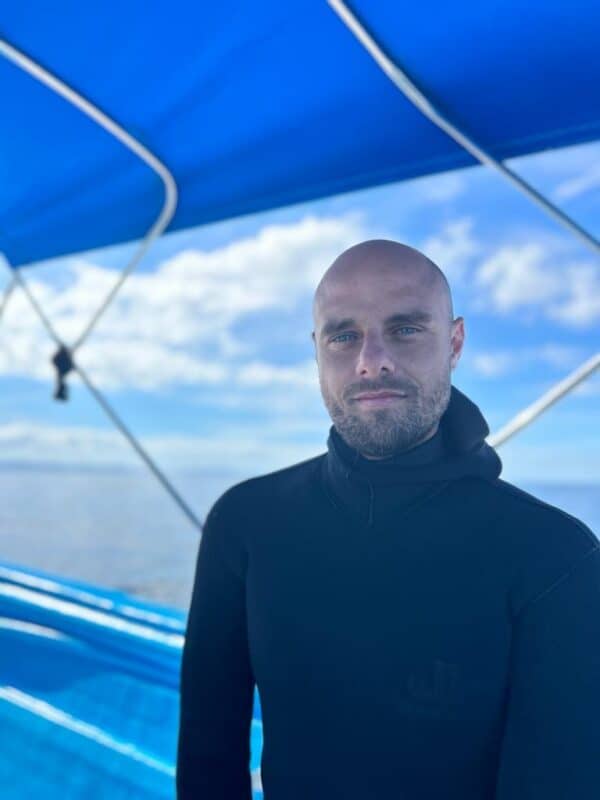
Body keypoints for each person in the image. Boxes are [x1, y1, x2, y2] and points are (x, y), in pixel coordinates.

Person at [176, 240, 600, 799]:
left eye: (404, 329)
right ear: (317, 351)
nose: (371, 360)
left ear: (454, 343)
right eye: (344, 335)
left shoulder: (555, 557)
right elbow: (208, 759)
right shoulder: (246, 523)